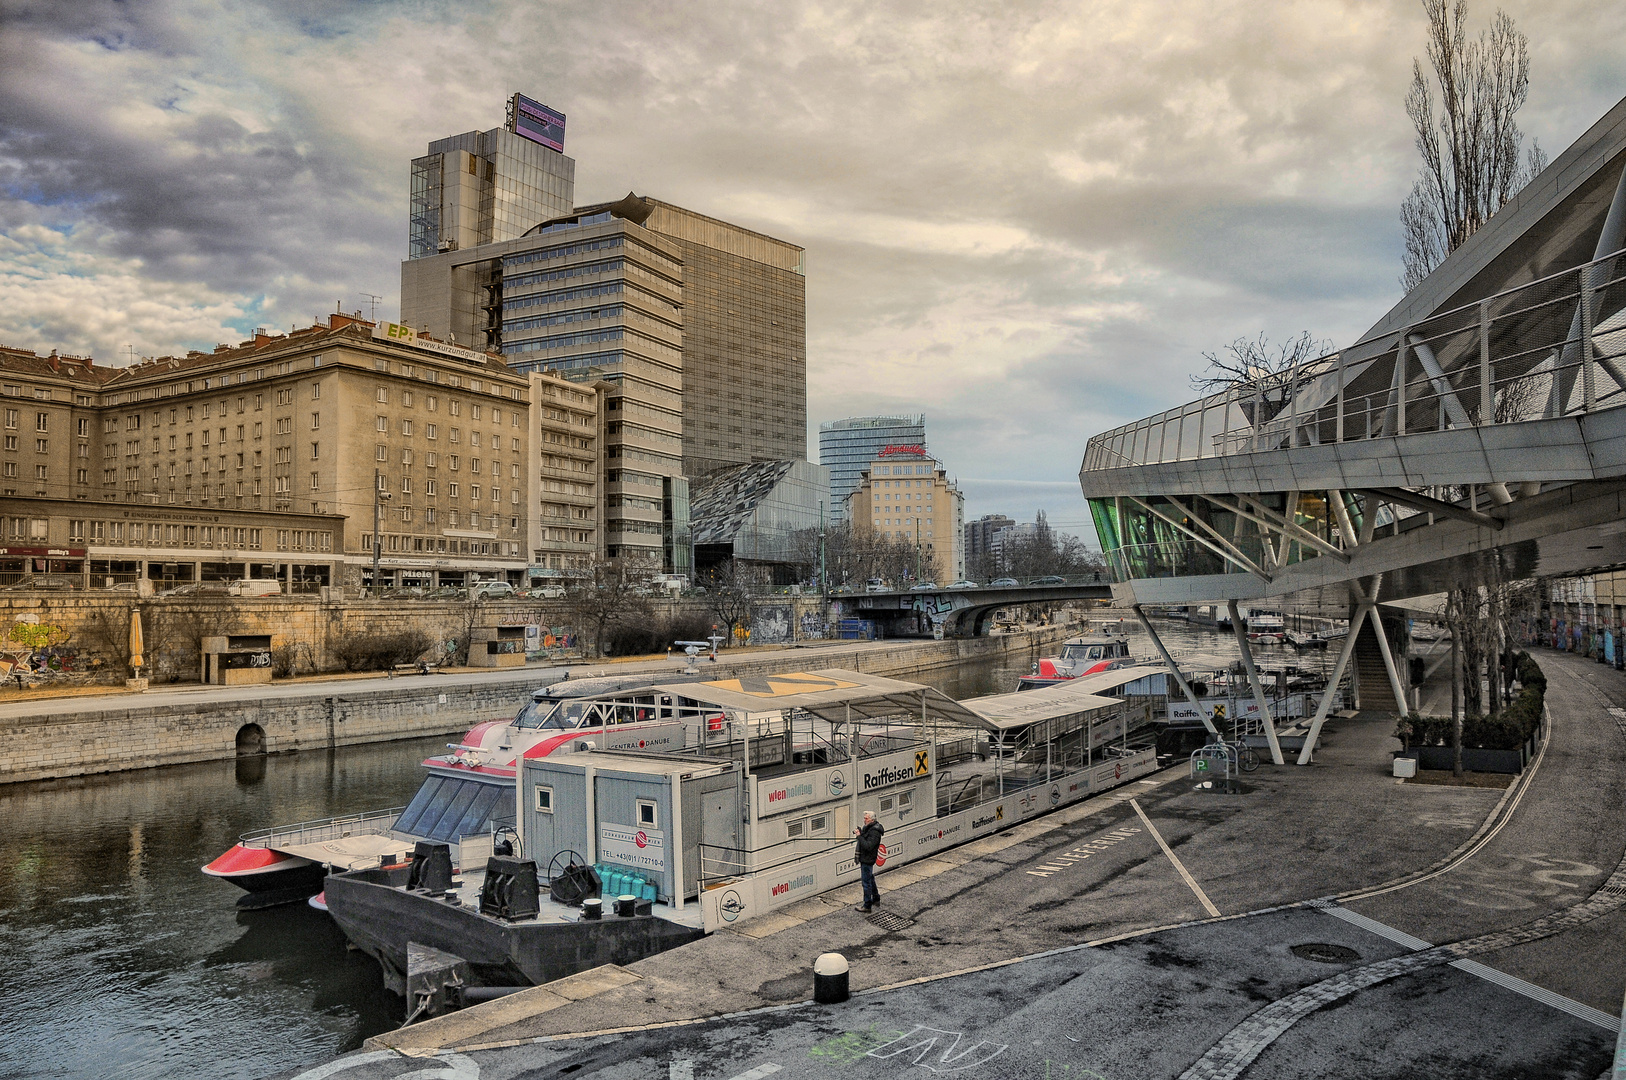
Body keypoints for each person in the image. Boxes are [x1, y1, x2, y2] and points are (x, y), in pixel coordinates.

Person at [853, 811, 885, 912]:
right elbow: (866, 839)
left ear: (872, 819)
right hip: (867, 858)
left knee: (866, 883)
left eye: (866, 818)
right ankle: (876, 898)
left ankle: (867, 905)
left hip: (867, 859)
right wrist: (860, 833)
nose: (864, 820)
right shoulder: (870, 828)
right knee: (870, 878)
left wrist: (859, 836)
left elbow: (868, 846)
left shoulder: (874, 832)